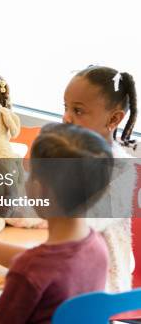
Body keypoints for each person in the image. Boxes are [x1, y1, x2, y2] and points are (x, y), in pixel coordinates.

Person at [0, 123, 112, 324]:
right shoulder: (96, 246)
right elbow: (34, 263)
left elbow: (30, 268)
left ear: (38, 189)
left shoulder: (29, 272)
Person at [63, 65, 137, 292]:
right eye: (65, 107)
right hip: (69, 261)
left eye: (78, 110)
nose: (66, 117)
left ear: (114, 118)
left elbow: (84, 221)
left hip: (102, 280)